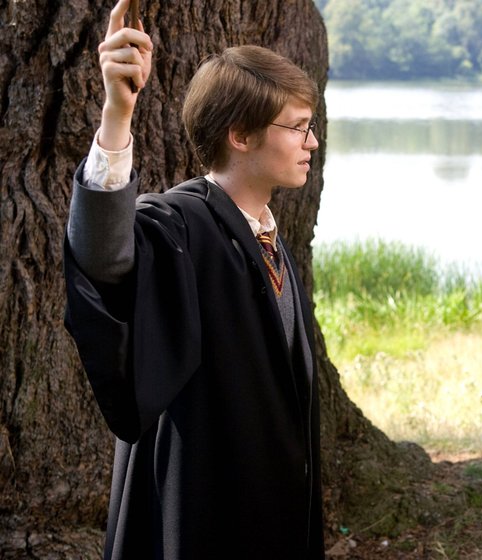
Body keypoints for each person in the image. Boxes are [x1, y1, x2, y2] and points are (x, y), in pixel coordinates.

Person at [62, 0, 324, 557]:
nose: (312, 143)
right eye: (298, 128)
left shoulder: (267, 236)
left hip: (269, 506)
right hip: (200, 506)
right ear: (240, 135)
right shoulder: (178, 224)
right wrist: (117, 114)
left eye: (311, 127)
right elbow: (103, 258)